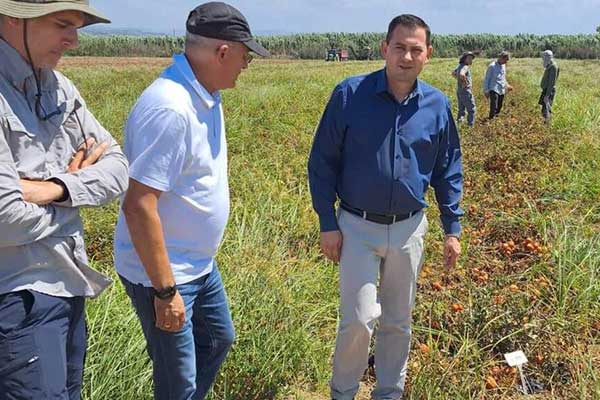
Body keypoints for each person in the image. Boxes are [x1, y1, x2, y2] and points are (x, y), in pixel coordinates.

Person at [113, 2, 269, 399]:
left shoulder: (206, 95)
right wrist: (165, 293)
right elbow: (138, 204)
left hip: (198, 264)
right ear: (223, 52)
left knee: (218, 339)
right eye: (246, 55)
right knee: (177, 381)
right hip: (164, 274)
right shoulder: (171, 108)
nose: (246, 64)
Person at [308, 14, 463, 400]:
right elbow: (322, 161)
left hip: (409, 228)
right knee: (358, 320)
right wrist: (327, 222)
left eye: (415, 50)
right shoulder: (350, 95)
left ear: (428, 54)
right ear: (384, 49)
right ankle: (343, 392)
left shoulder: (437, 105)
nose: (406, 57)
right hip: (356, 227)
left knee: (398, 320)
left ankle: (389, 392)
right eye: (399, 48)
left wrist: (453, 229)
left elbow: (448, 169)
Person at [0, 1, 128, 398]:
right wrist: (75, 198)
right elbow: (6, 219)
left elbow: (119, 168)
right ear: (12, 17)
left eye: (77, 27)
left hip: (68, 286)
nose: (73, 40)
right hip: (17, 296)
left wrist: (56, 188)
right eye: (62, 24)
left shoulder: (59, 87)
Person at [483, 50, 513, 119]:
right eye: (506, 60)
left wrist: (507, 85)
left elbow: (503, 78)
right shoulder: (492, 66)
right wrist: (486, 90)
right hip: (493, 88)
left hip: (501, 88)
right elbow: (487, 79)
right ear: (501, 58)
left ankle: (496, 118)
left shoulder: (503, 66)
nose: (506, 62)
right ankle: (491, 119)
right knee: (494, 105)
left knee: (500, 105)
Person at [452, 51, 476, 126]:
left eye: (472, 58)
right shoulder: (465, 67)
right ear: (464, 59)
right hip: (466, 91)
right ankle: (470, 126)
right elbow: (462, 74)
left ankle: (459, 124)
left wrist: (459, 79)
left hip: (460, 91)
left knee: (461, 110)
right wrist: (465, 83)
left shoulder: (460, 66)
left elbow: (453, 73)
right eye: (469, 58)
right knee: (472, 109)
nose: (471, 60)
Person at [539, 49, 559, 125]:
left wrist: (547, 95)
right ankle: (545, 123)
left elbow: (551, 83)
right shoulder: (549, 65)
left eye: (544, 57)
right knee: (544, 108)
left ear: (548, 57)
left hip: (549, 91)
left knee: (546, 108)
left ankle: (547, 125)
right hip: (546, 90)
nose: (543, 59)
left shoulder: (553, 67)